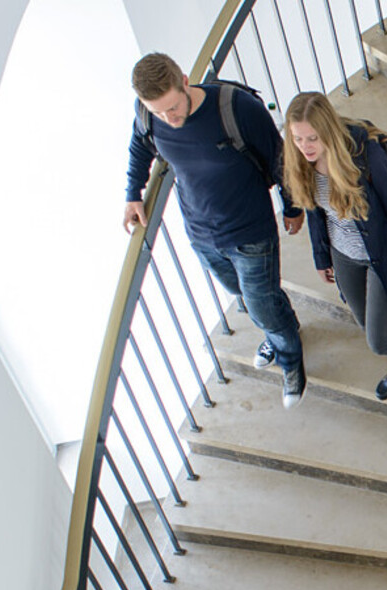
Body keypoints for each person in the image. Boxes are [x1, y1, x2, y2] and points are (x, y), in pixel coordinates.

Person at [123, 53, 308, 408]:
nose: (169, 119)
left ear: (183, 79)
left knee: (261, 304)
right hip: (201, 234)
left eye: (173, 108)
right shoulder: (148, 115)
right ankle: (280, 327)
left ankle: (290, 357)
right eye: (159, 112)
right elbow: (138, 147)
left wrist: (293, 206)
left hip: (250, 231)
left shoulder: (236, 109)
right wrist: (133, 194)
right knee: (248, 296)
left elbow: (279, 158)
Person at [280, 92, 387, 401]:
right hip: (343, 254)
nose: (305, 147)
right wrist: (321, 255)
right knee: (365, 322)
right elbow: (316, 212)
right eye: (298, 139)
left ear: (328, 130)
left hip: (381, 253)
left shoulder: (364, 154)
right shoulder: (302, 162)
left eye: (312, 138)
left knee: (377, 340)